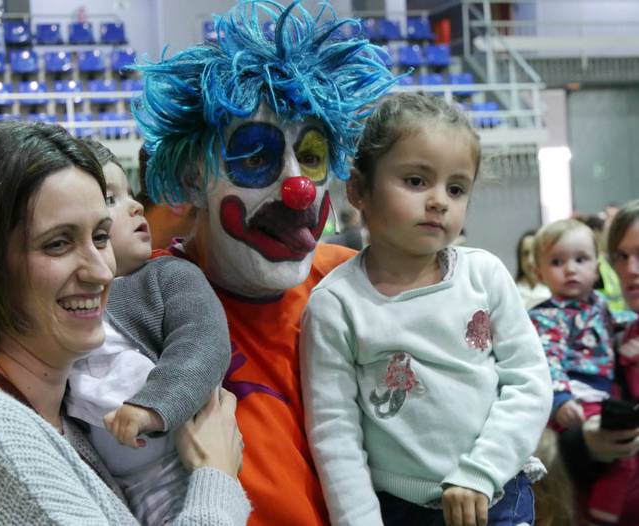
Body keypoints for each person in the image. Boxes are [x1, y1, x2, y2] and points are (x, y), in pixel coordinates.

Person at [130, 1, 397, 524]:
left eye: (312, 157)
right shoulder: (147, 306)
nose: (298, 188)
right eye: (255, 157)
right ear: (192, 179)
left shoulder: (359, 281)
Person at [0, 121, 248, 524]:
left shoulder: (55, 411)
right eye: (58, 243)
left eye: (101, 237)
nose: (102, 272)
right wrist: (216, 475)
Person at [300, 92, 552, 526]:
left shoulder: (485, 275)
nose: (439, 201)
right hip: (397, 509)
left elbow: (529, 383)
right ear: (359, 190)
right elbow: (334, 433)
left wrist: (481, 472)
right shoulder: (335, 304)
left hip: (495, 493)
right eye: (416, 181)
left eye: (456, 188)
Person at [63, 139, 236, 525]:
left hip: (176, 471)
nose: (136, 205)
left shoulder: (169, 276)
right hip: (110, 485)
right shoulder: (65, 298)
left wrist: (153, 405)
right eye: (111, 199)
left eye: (129, 192)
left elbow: (203, 341)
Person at [529, 218, 633, 525]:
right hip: (573, 394)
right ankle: (601, 511)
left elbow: (616, 323)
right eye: (557, 262)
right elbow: (547, 358)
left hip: (600, 393)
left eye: (581, 259)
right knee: (622, 449)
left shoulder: (598, 304)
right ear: (539, 273)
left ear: (597, 267)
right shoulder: (547, 315)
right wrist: (561, 398)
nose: (570, 269)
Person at [515, 228, 551, 309]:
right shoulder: (510, 292)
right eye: (526, 253)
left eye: (535, 253)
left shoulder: (557, 292)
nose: (530, 261)